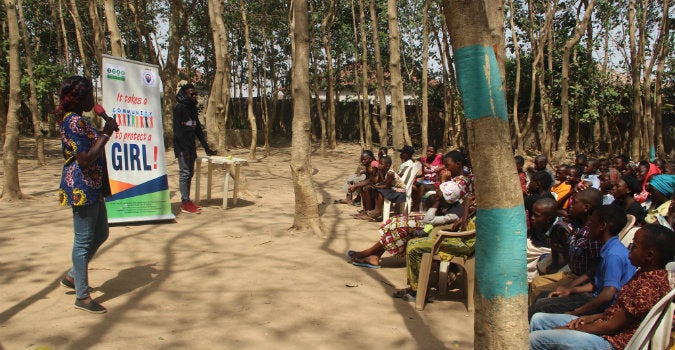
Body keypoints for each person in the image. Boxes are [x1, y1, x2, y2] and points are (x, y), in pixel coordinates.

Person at [529, 224, 675, 350]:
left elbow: (611, 326)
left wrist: (572, 328)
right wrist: (590, 317)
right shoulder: (643, 273)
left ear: (649, 255)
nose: (629, 248)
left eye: (634, 246)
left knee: (535, 339)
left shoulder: (650, 287)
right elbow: (615, 312)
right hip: (603, 326)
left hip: (610, 342)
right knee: (538, 319)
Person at [57, 76, 119, 314]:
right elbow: (84, 159)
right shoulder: (73, 122)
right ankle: (82, 297)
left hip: (93, 186)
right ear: (79, 98)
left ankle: (73, 276)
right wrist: (106, 133)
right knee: (82, 242)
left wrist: (104, 130)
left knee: (102, 232)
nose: (94, 100)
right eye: (90, 95)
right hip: (81, 186)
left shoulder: (80, 120)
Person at [529, 205, 635, 319]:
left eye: (592, 223)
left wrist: (577, 312)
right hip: (594, 296)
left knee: (542, 305)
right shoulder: (609, 248)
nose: (588, 228)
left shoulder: (613, 255)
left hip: (602, 306)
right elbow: (597, 284)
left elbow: (607, 294)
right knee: (543, 295)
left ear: (602, 226)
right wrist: (570, 289)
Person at [347, 187, 465, 268]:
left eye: (440, 194)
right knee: (397, 220)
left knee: (400, 227)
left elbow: (429, 219)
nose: (437, 195)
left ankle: (366, 253)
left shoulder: (453, 213)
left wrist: (437, 202)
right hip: (430, 224)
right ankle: (375, 256)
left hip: (432, 230)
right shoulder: (453, 204)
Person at [529, 188, 603, 304]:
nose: (570, 206)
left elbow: (594, 268)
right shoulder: (577, 222)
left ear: (586, 208)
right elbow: (554, 210)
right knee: (536, 282)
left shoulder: (592, 233)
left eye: (574, 203)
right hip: (572, 273)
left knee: (540, 290)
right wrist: (570, 193)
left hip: (580, 279)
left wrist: (571, 285)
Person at [173, 84, 216, 214]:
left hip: (191, 147)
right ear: (184, 94)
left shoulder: (192, 109)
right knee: (185, 173)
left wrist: (207, 148)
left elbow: (198, 130)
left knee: (190, 174)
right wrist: (184, 150)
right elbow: (178, 132)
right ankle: (185, 202)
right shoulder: (179, 109)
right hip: (182, 148)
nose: (194, 96)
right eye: (191, 94)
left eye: (195, 94)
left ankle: (187, 200)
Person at [526, 197, 561, 282]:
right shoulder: (547, 229)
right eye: (532, 214)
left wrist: (555, 265)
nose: (532, 218)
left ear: (548, 219)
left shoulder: (559, 231)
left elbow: (568, 256)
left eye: (536, 216)